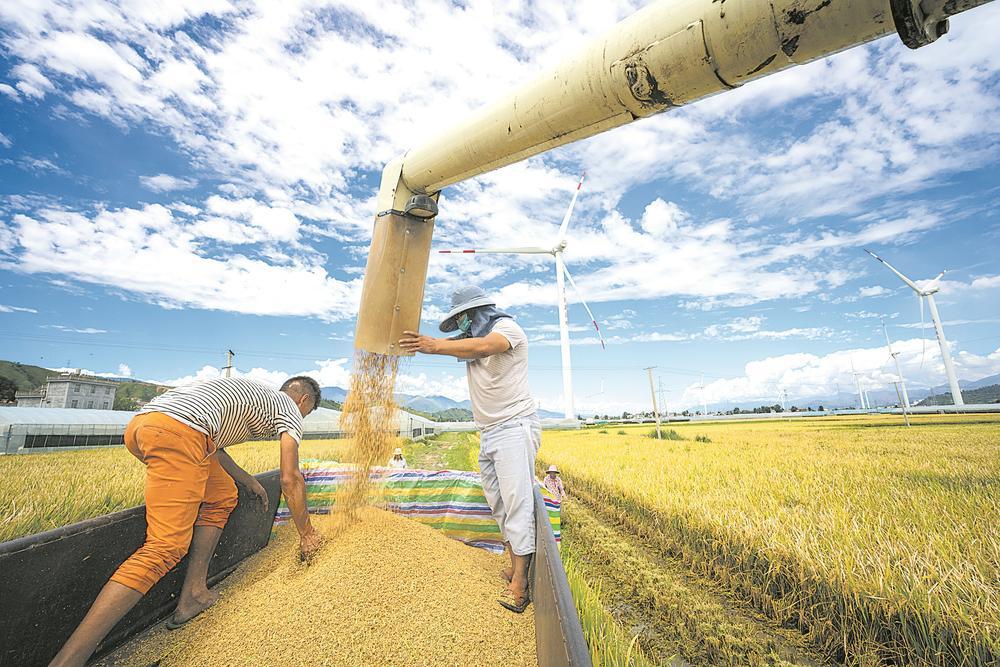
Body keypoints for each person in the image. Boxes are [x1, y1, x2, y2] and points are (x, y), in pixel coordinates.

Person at [50, 376, 324, 667]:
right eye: (307, 413)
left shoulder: (255, 397)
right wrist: (306, 534)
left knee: (222, 495)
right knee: (165, 548)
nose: (302, 418)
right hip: (179, 433)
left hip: (146, 426)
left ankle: (193, 594)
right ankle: (69, 660)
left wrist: (247, 481)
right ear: (303, 401)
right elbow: (290, 477)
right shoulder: (290, 408)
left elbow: (213, 448)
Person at [400, 286, 539, 614]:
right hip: (489, 432)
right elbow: (462, 347)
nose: (461, 325)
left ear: (477, 313)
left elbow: (487, 345)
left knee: (517, 502)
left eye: (463, 318)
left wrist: (433, 345)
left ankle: (521, 584)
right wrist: (421, 345)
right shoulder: (469, 345)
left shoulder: (506, 328)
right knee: (498, 501)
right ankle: (512, 562)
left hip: (513, 426)